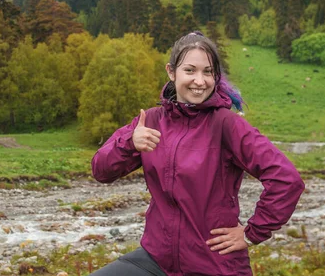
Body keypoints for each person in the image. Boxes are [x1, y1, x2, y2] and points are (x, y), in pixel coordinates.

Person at [90, 32, 305, 276]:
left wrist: (252, 233)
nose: (199, 81)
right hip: (157, 259)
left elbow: (287, 180)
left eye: (208, 72)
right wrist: (129, 142)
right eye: (190, 70)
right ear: (172, 72)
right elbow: (101, 170)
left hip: (214, 265)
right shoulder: (150, 120)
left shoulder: (227, 125)